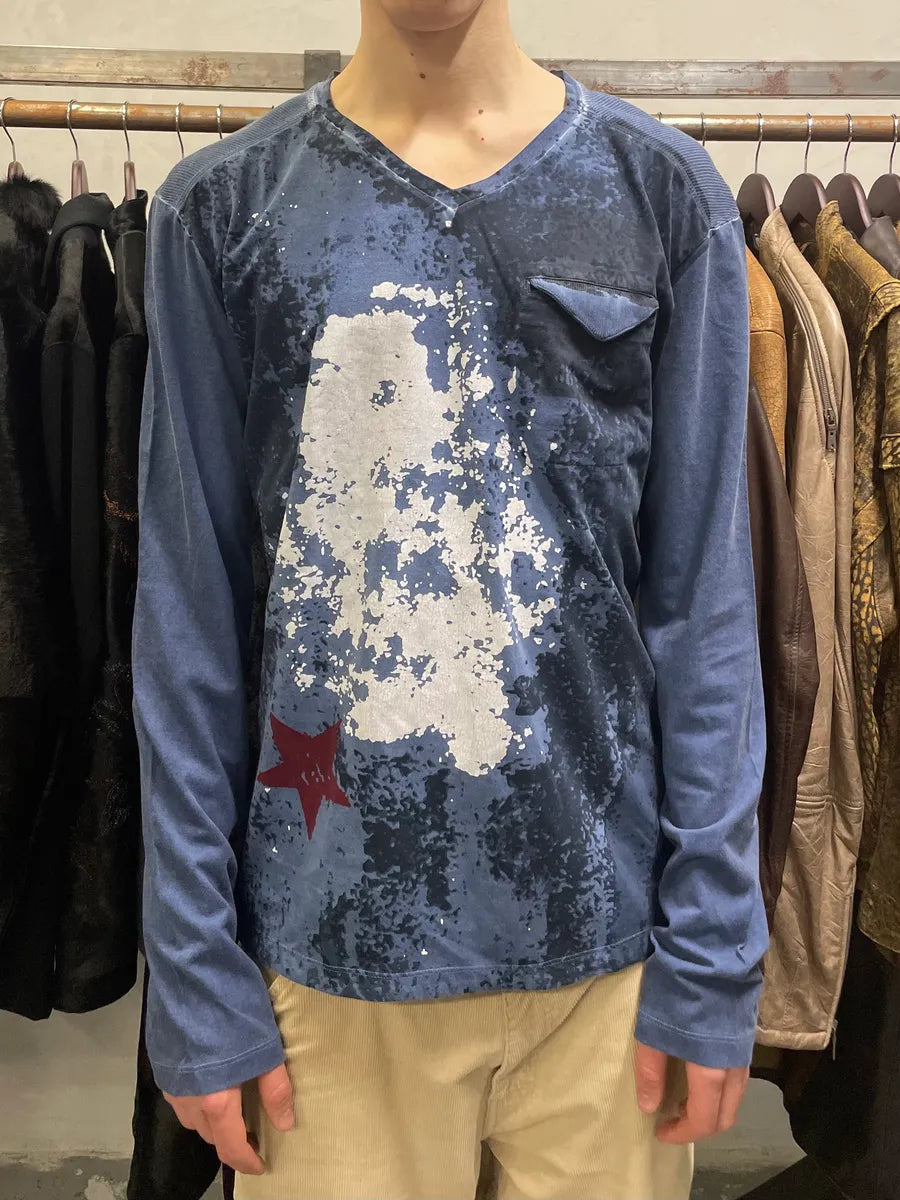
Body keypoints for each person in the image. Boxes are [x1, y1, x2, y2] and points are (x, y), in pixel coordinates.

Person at [132, 1, 770, 1196]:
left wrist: (716, 941)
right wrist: (192, 966)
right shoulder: (223, 210)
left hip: (611, 968)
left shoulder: (661, 194)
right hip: (326, 962)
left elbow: (706, 606)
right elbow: (187, 618)